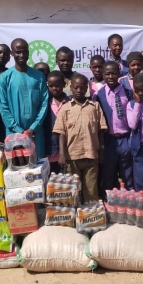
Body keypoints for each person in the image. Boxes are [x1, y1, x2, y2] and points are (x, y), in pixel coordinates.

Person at [53, 73, 107, 202]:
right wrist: (62, 153)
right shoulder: (65, 108)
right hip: (72, 156)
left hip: (91, 155)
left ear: (87, 88)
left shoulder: (95, 106)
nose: (79, 90)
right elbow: (61, 132)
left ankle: (91, 215)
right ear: (71, 87)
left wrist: (102, 150)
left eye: (83, 87)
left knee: (91, 188)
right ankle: (75, 214)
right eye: (76, 87)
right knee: (73, 189)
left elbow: (101, 131)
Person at [0, 38, 49, 158]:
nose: (22, 55)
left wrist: (33, 128)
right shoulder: (5, 78)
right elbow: (3, 107)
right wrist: (19, 130)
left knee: (37, 168)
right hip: (14, 134)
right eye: (18, 52)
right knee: (16, 168)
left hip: (35, 133)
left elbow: (44, 104)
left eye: (25, 51)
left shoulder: (39, 76)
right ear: (12, 53)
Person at [94, 61, 134, 192]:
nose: (111, 76)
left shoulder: (128, 93)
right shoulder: (98, 95)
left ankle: (129, 202)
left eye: (114, 73)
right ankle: (108, 201)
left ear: (119, 74)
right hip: (108, 140)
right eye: (107, 74)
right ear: (103, 75)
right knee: (108, 175)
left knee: (127, 174)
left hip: (125, 139)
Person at [44, 71, 69, 174]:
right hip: (50, 150)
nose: (54, 88)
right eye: (51, 86)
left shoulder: (70, 102)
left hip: (68, 151)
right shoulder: (45, 104)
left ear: (64, 84)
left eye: (57, 85)